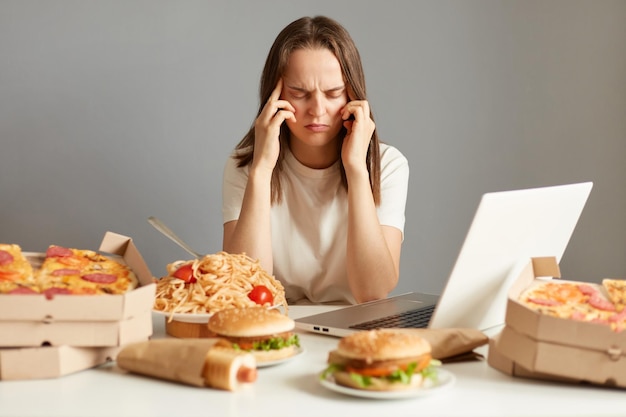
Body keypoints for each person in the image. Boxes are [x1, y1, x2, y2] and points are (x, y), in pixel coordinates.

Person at [222, 16, 409, 305]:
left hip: (354, 329)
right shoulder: (244, 166)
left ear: (353, 95)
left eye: (333, 93)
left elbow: (373, 292)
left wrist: (357, 169)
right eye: (300, 94)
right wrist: (261, 170)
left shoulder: (388, 164)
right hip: (277, 326)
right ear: (276, 96)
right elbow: (247, 287)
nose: (317, 110)